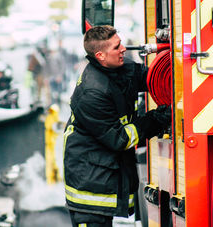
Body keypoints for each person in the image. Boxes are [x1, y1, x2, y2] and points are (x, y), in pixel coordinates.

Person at [63, 25, 171, 227]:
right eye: (116, 47)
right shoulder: (92, 93)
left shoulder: (119, 69)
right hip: (89, 193)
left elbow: (150, 78)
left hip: (102, 174)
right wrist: (156, 119)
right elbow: (120, 139)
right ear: (100, 56)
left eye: (120, 43)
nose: (123, 49)